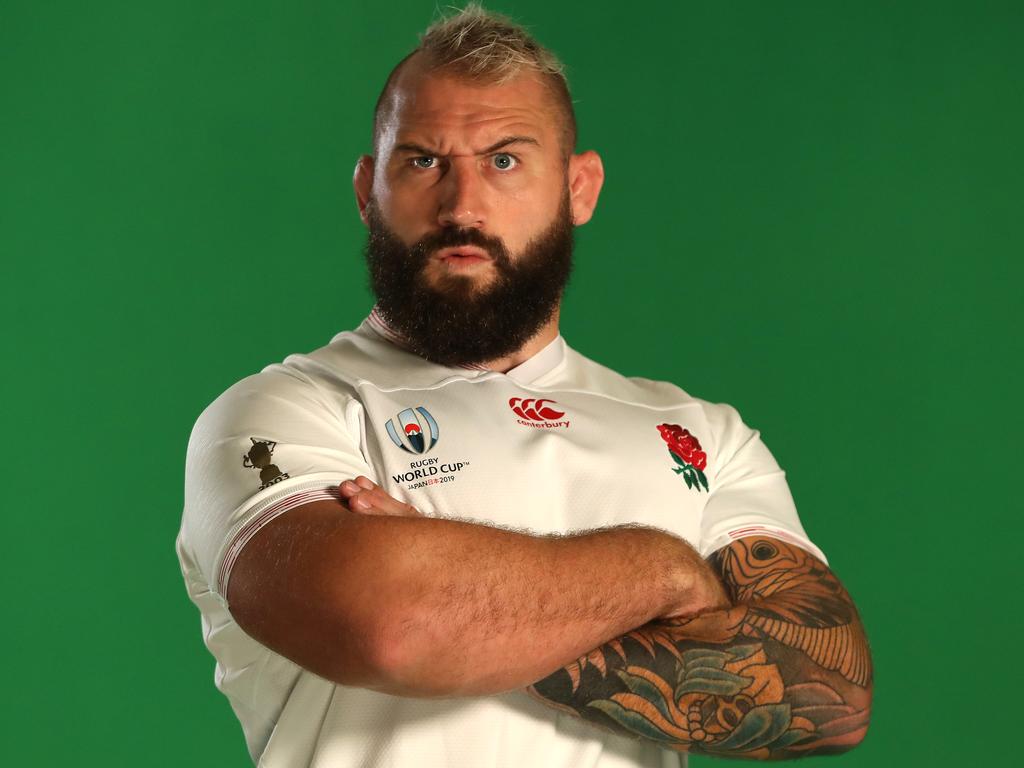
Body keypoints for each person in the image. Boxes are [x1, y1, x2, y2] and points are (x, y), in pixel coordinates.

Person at [175, 4, 872, 766]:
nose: (462, 206)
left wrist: (464, 613)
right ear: (367, 189)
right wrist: (665, 570)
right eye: (423, 161)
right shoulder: (282, 414)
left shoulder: (703, 436)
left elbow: (823, 694)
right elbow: (393, 629)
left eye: (504, 159)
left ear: (580, 187)